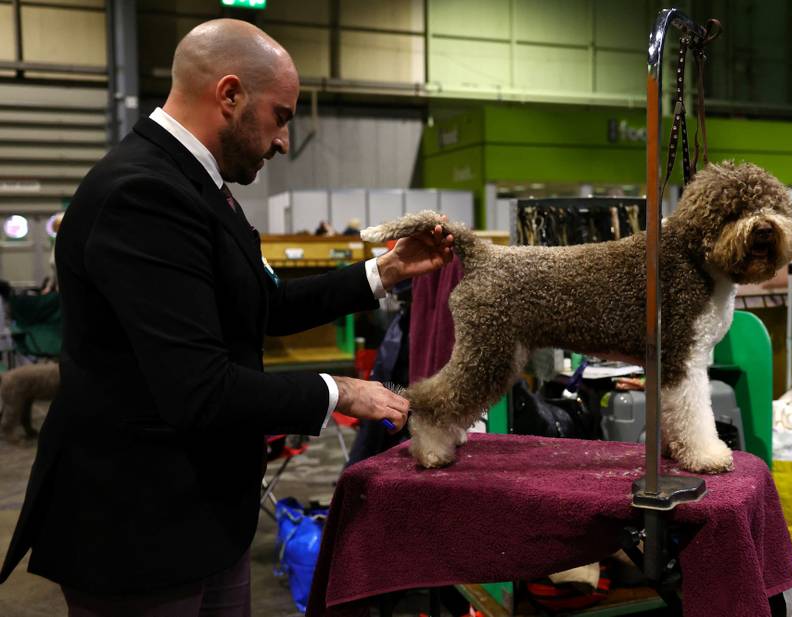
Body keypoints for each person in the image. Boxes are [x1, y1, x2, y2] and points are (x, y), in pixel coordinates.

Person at [0, 18, 453, 616]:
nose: (284, 141)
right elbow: (199, 388)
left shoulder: (200, 187)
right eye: (282, 116)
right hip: (138, 533)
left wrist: (385, 272)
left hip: (205, 517)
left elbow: (260, 307)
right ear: (230, 94)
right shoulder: (142, 193)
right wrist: (339, 390)